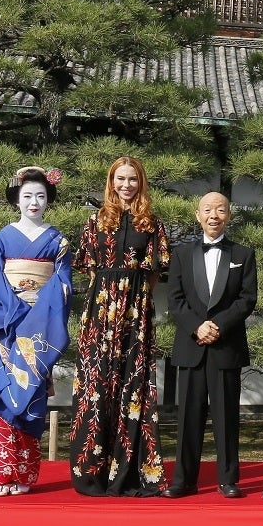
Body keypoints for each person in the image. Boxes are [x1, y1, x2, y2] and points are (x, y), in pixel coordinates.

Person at [69, 156, 170, 497]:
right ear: (111, 182)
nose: (126, 185)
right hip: (99, 315)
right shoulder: (93, 221)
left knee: (132, 386)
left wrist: (134, 297)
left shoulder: (152, 224)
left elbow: (157, 270)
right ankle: (91, 471)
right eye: (120, 178)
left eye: (133, 179)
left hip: (136, 314)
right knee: (96, 386)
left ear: (141, 183)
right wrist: (109, 296)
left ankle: (128, 471)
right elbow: (87, 267)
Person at [0, 166, 71, 496]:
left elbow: (62, 285)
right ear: (16, 199)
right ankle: (1, 474)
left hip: (39, 331)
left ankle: (26, 473)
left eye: (40, 196)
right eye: (27, 196)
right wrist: (16, 317)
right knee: (1, 394)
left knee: (31, 396)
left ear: (48, 200)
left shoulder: (58, 241)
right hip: (4, 326)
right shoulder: (0, 239)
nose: (34, 202)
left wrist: (36, 319)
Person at [163, 192, 258, 499]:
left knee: (227, 418)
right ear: (197, 214)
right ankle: (183, 479)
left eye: (220, 210)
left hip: (225, 345)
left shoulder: (243, 253)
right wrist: (197, 326)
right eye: (208, 209)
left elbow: (247, 299)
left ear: (229, 215)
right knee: (188, 418)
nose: (214, 215)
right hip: (191, 347)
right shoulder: (181, 253)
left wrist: (218, 326)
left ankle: (228, 479)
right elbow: (175, 300)